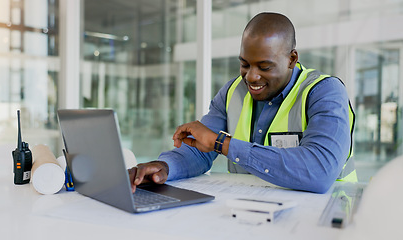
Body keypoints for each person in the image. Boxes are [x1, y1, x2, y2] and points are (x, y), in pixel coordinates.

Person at [129, 12, 356, 194]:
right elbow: (199, 151)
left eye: (264, 67)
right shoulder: (232, 92)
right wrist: (165, 167)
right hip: (246, 212)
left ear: (292, 59)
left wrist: (222, 143)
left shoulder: (325, 92)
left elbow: (320, 171)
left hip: (324, 217)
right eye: (245, 64)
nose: (251, 77)